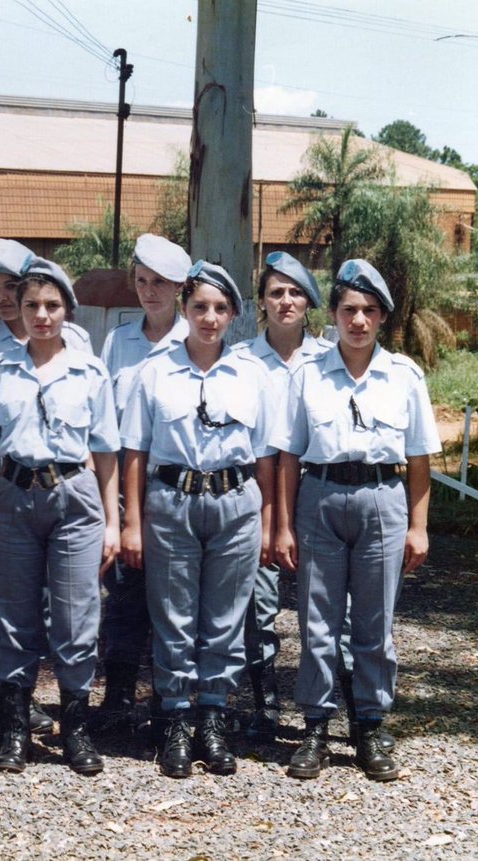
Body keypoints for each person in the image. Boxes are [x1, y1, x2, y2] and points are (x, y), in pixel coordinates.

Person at [274, 259, 439, 782]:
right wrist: (282, 525)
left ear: (382, 318)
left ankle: (369, 724)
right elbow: (287, 457)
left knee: (374, 624)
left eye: (369, 311)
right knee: (317, 622)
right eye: (350, 310)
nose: (359, 321)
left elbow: (418, 461)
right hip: (320, 499)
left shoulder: (404, 377)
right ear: (335, 315)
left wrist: (418, 526)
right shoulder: (308, 375)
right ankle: (317, 727)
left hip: (382, 500)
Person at [119, 261, 275, 779]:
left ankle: (213, 717)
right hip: (172, 502)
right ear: (184, 310)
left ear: (234, 315)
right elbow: (135, 452)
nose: (209, 318)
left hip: (234, 503)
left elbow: (266, 457)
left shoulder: (252, 374)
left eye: (220, 308)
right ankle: (175, 720)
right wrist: (134, 523)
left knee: (225, 620)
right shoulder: (155, 371)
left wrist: (271, 521)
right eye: (199, 307)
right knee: (174, 618)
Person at [0, 256, 120, 775]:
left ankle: (75, 729)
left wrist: (113, 522)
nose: (41, 315)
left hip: (74, 498)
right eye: (32, 304)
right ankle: (15, 732)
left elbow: (104, 452)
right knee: (14, 617)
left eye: (52, 305)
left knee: (78, 616)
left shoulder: (90, 371)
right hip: (13, 496)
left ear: (67, 311)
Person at [93, 233, 190, 737]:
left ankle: (172, 704)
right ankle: (118, 697)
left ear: (180, 288)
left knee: (175, 600)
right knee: (125, 596)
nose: (150, 291)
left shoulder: (195, 340)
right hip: (128, 488)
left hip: (176, 487)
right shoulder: (118, 341)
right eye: (143, 280)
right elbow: (105, 419)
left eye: (161, 283)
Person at [233, 251, 328, 743]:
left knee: (327, 611)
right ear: (261, 303)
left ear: (309, 303)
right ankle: (265, 706)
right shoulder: (241, 361)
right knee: (259, 606)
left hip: (320, 492)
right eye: (275, 292)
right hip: (258, 494)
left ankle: (329, 712)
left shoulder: (331, 358)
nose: (285, 301)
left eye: (295, 293)